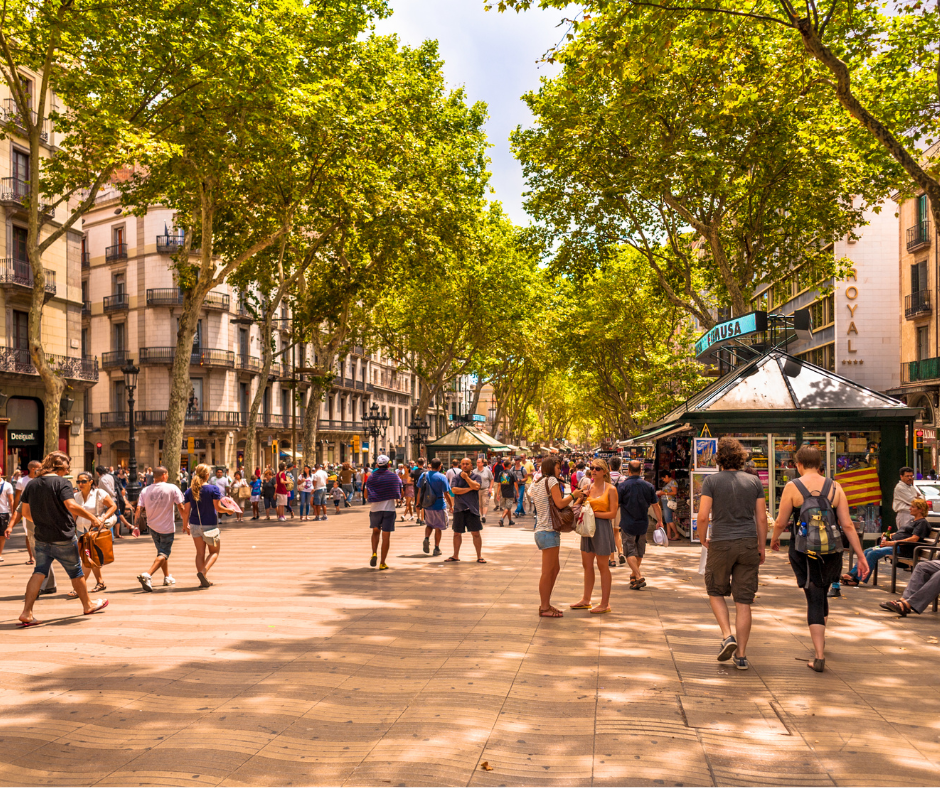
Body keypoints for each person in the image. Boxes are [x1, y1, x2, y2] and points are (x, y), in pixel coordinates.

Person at [771, 444, 869, 673]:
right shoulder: (835, 487)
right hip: (832, 551)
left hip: (803, 551)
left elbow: (780, 521)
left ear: (799, 465)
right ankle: (820, 642)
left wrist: (774, 539)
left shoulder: (792, 486)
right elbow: (847, 525)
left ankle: (819, 656)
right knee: (822, 592)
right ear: (820, 465)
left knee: (813, 596)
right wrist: (861, 555)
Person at [695, 438, 767, 671]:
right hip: (748, 544)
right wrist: (762, 546)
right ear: (740, 457)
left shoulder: (711, 481)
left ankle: (727, 635)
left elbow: (703, 515)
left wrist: (703, 538)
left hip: (721, 542)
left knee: (715, 590)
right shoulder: (754, 481)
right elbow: (762, 518)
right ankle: (742, 656)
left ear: (719, 458)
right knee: (744, 600)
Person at [17, 451, 109, 625]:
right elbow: (71, 505)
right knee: (76, 571)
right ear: (60, 466)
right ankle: (88, 605)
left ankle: (26, 612)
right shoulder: (62, 482)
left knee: (39, 572)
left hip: (42, 537)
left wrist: (43, 521)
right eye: (67, 465)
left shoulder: (32, 484)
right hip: (63, 536)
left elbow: (25, 513)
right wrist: (94, 518)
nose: (69, 468)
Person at [530, 455, 587, 617]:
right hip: (547, 531)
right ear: (550, 468)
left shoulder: (537, 483)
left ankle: (546, 604)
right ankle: (544, 607)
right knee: (548, 571)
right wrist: (574, 495)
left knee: (554, 569)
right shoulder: (552, 481)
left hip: (543, 530)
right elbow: (560, 503)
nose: (560, 470)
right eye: (557, 467)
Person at [569, 459, 619, 614]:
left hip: (602, 528)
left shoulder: (611, 489)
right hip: (587, 528)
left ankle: (605, 603)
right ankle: (586, 599)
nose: (594, 470)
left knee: (603, 565)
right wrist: (582, 497)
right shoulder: (587, 487)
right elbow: (576, 506)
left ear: (605, 471)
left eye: (598, 468)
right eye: (592, 468)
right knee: (587, 564)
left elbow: (612, 514)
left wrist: (592, 514)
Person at [842, 499, 931, 585]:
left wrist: (893, 543)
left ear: (921, 509)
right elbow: (902, 532)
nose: (910, 508)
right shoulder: (912, 520)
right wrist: (890, 535)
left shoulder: (922, 523)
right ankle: (852, 574)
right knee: (867, 551)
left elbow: (914, 539)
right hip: (895, 545)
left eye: (913, 507)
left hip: (903, 549)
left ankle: (856, 579)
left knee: (874, 553)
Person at [181, 463, 238, 588]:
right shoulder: (213, 489)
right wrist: (228, 510)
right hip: (210, 525)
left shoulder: (189, 491)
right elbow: (218, 508)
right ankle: (203, 572)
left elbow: (186, 511)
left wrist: (185, 525)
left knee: (199, 553)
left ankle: (203, 580)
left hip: (195, 524)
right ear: (207, 475)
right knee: (214, 552)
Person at [135, 467, 187, 591]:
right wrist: (186, 522)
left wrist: (136, 526)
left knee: (161, 552)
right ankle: (148, 575)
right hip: (167, 527)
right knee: (164, 553)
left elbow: (138, 509)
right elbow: (181, 506)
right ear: (164, 475)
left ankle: (167, 577)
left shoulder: (145, 490)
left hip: (152, 526)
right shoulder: (172, 488)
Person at [71, 472, 120, 596]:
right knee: (91, 558)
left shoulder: (99, 493)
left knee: (86, 559)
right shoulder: (76, 496)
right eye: (78, 482)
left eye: (83, 481)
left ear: (91, 481)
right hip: (81, 530)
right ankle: (100, 582)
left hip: (93, 531)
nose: (80, 484)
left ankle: (79, 588)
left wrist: (103, 518)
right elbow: (74, 514)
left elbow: (113, 506)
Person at [617, 460, 661, 591]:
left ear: (628, 471)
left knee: (629, 551)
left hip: (627, 524)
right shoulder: (648, 486)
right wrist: (660, 520)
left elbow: (616, 505)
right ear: (641, 470)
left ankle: (638, 576)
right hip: (643, 524)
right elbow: (656, 505)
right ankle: (634, 576)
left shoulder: (623, 486)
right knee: (639, 551)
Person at [366, 455, 403, 570]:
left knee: (375, 532)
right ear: (389, 465)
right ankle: (382, 563)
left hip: (375, 510)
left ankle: (374, 553)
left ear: (377, 465)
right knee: (386, 536)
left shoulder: (371, 477)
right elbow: (400, 493)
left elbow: (366, 495)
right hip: (389, 510)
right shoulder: (394, 477)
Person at [447, 457, 483, 563]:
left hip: (472, 509)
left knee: (476, 533)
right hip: (459, 509)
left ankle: (479, 556)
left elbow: (477, 486)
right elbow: (454, 490)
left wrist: (467, 479)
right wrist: (470, 488)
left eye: (467, 464)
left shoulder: (476, 476)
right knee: (457, 533)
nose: (465, 466)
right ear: (460, 465)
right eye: (463, 464)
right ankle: (455, 555)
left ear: (471, 466)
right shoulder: (456, 478)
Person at [420, 458, 453, 557]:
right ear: (440, 467)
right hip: (439, 505)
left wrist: (419, 503)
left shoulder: (424, 475)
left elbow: (420, 490)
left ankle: (426, 538)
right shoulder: (442, 477)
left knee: (429, 524)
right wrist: (451, 505)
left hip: (427, 505)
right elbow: (446, 493)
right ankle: (436, 548)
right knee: (438, 527)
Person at [607, 457, 627, 568]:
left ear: (609, 466)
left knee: (609, 532)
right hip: (619, 508)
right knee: (617, 532)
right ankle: (620, 552)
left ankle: (612, 559)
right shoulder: (623, 478)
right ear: (620, 466)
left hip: (608, 508)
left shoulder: (606, 478)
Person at [657, 470, 681, 542]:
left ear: (667, 476)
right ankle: (669, 535)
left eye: (663, 478)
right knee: (667, 519)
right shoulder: (669, 483)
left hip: (669, 502)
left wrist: (663, 493)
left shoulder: (672, 482)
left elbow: (674, 492)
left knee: (668, 519)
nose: (663, 480)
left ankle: (676, 534)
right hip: (666, 502)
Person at [495, 458, 518, 527]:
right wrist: (517, 492)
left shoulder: (501, 473)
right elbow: (515, 483)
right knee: (507, 507)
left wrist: (498, 494)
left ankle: (510, 521)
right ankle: (502, 519)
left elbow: (499, 484)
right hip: (510, 493)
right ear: (509, 465)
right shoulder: (512, 473)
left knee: (508, 507)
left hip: (503, 492)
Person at [893, 466, 916, 532]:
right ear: (901, 476)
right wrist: (917, 499)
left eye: (911, 476)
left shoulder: (911, 487)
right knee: (904, 535)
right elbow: (913, 501)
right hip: (904, 515)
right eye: (907, 476)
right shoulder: (900, 487)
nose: (910, 478)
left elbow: (921, 498)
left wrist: (918, 498)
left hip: (912, 514)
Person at [0, 470, 14, 563]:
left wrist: (13, 514)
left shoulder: (7, 485)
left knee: (1, 535)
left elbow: (11, 500)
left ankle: (0, 554)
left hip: (3, 513)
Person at [476, 457, 494, 524]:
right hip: (477, 490)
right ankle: (482, 516)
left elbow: (492, 479)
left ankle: (484, 516)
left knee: (485, 503)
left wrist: (490, 488)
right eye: (477, 462)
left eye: (479, 462)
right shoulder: (474, 471)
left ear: (482, 463)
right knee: (480, 504)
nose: (477, 464)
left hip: (485, 489)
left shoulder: (487, 470)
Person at [412, 458, 427, 526]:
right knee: (423, 504)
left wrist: (414, 482)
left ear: (417, 463)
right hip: (424, 489)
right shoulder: (426, 471)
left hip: (416, 488)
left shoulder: (413, 472)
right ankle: (422, 519)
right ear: (424, 463)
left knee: (417, 502)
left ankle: (418, 517)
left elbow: (409, 480)